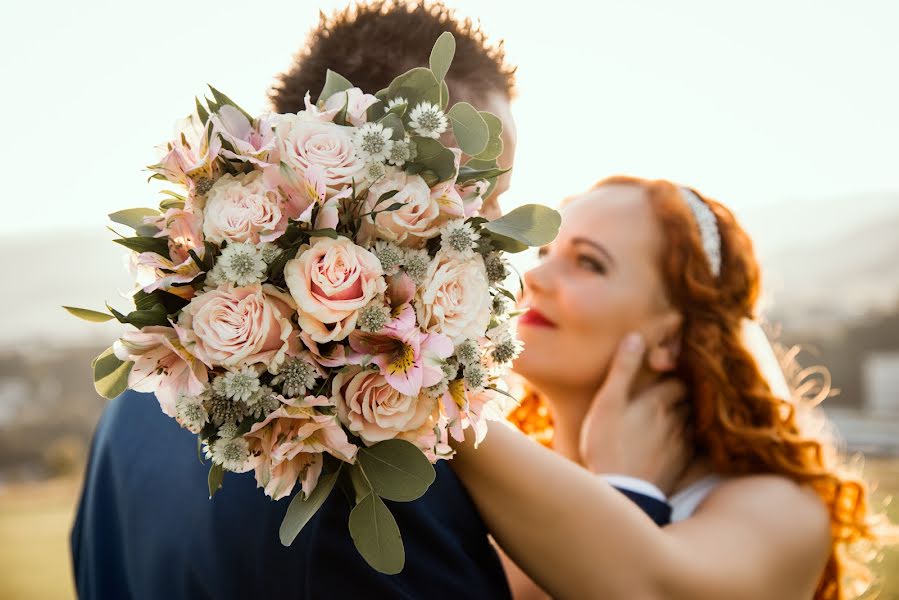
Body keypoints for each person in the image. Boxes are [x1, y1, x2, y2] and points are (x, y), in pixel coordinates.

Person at [71, 5, 676, 599]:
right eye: (473, 196)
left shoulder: (144, 397)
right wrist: (632, 501)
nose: (493, 236)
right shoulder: (370, 450)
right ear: (361, 179)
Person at [450, 175, 890, 599]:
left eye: (588, 262)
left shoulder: (781, 508)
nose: (535, 278)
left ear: (670, 338)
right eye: (546, 251)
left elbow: (652, 589)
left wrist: (435, 396)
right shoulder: (503, 481)